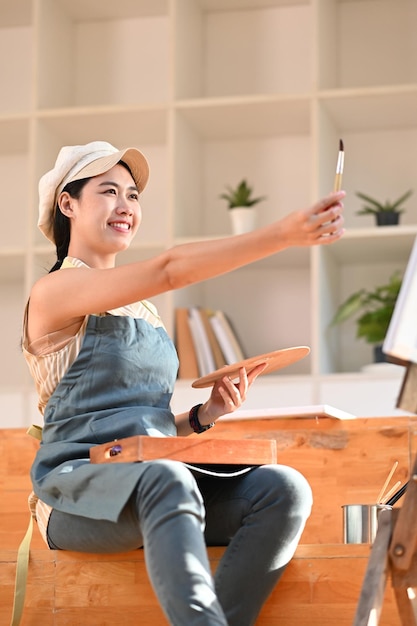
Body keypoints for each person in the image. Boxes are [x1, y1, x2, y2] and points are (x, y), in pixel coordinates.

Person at [23, 141, 345, 626]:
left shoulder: (145, 314)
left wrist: (203, 415)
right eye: (108, 191)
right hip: (75, 495)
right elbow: (170, 269)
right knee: (167, 478)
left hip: (152, 479)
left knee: (283, 489)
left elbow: (141, 426)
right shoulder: (53, 292)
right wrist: (283, 234)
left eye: (133, 195)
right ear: (67, 204)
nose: (126, 206)